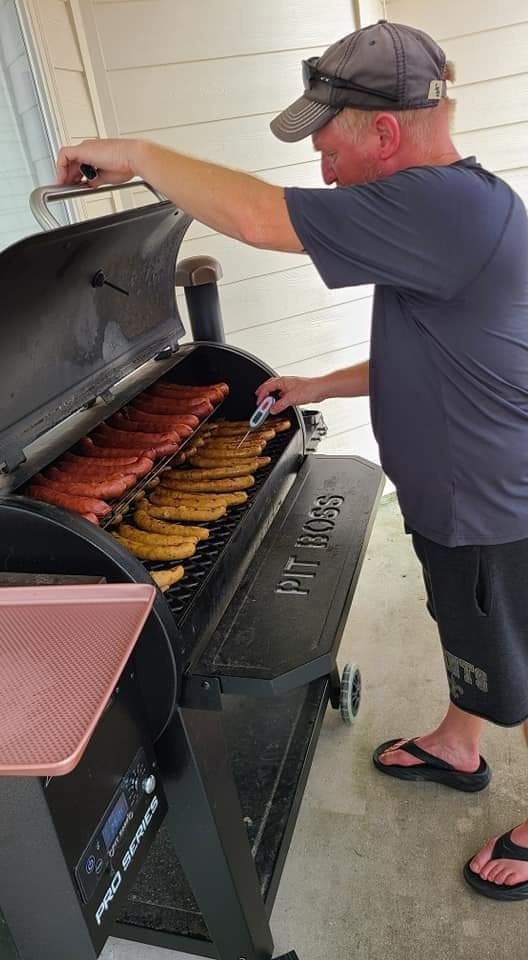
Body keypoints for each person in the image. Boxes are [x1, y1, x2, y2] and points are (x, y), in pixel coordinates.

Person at [56, 20, 528, 900]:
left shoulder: (442, 206)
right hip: (460, 499)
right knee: (472, 636)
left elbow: (262, 218)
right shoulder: (452, 208)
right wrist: (321, 384)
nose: (322, 165)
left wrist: (139, 154)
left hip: (494, 508)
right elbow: (444, 353)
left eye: (328, 142)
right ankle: (460, 744)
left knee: (518, 651)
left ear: (383, 133)